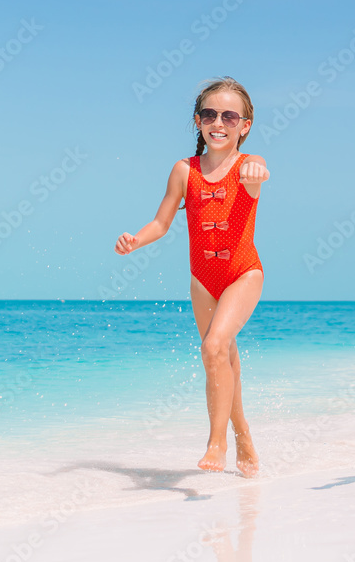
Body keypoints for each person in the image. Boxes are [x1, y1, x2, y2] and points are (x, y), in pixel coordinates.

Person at [115, 76, 268, 477]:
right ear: (199, 122)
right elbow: (161, 222)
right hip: (202, 280)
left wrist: (257, 168)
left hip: (243, 274)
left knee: (213, 347)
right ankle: (243, 434)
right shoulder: (184, 170)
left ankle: (216, 441)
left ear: (245, 125)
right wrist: (136, 241)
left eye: (229, 116)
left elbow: (258, 169)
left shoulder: (249, 165)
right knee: (222, 358)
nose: (219, 122)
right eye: (209, 114)